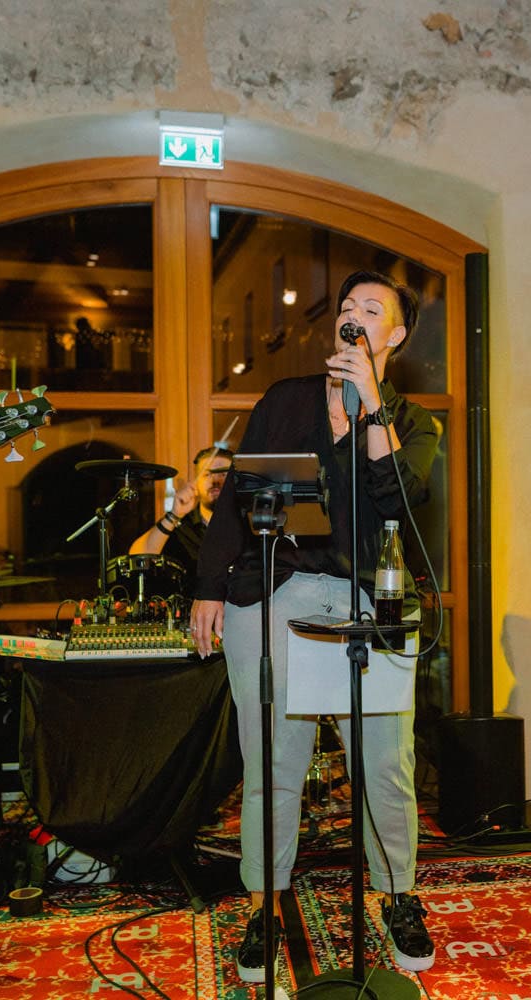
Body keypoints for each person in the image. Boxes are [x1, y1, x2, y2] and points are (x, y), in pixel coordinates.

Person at [190, 270, 440, 982]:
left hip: (373, 596)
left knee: (385, 765)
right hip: (277, 586)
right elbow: (237, 500)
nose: (352, 318)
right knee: (273, 761)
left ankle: (396, 896)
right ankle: (264, 907)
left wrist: (368, 409)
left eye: (371, 311)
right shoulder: (284, 401)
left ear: (392, 336)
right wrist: (210, 585)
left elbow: (397, 501)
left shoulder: (411, 421)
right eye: (346, 308)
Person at [127, 444, 234, 573]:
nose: (215, 481)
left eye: (223, 474)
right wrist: (174, 515)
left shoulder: (250, 524)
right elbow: (137, 557)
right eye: (207, 475)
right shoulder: (182, 527)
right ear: (195, 483)